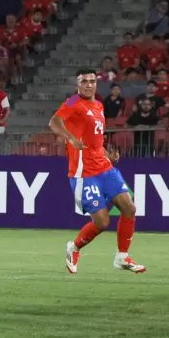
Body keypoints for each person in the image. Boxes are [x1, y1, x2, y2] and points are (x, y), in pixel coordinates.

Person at [47, 68, 146, 275]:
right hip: (84, 173)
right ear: (78, 84)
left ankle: (122, 257)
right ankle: (73, 248)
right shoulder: (74, 102)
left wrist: (107, 155)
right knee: (102, 222)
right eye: (84, 81)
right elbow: (54, 122)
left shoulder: (99, 105)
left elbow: (95, 140)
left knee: (129, 207)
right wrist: (70, 138)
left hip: (105, 168)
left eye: (92, 81)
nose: (88, 85)